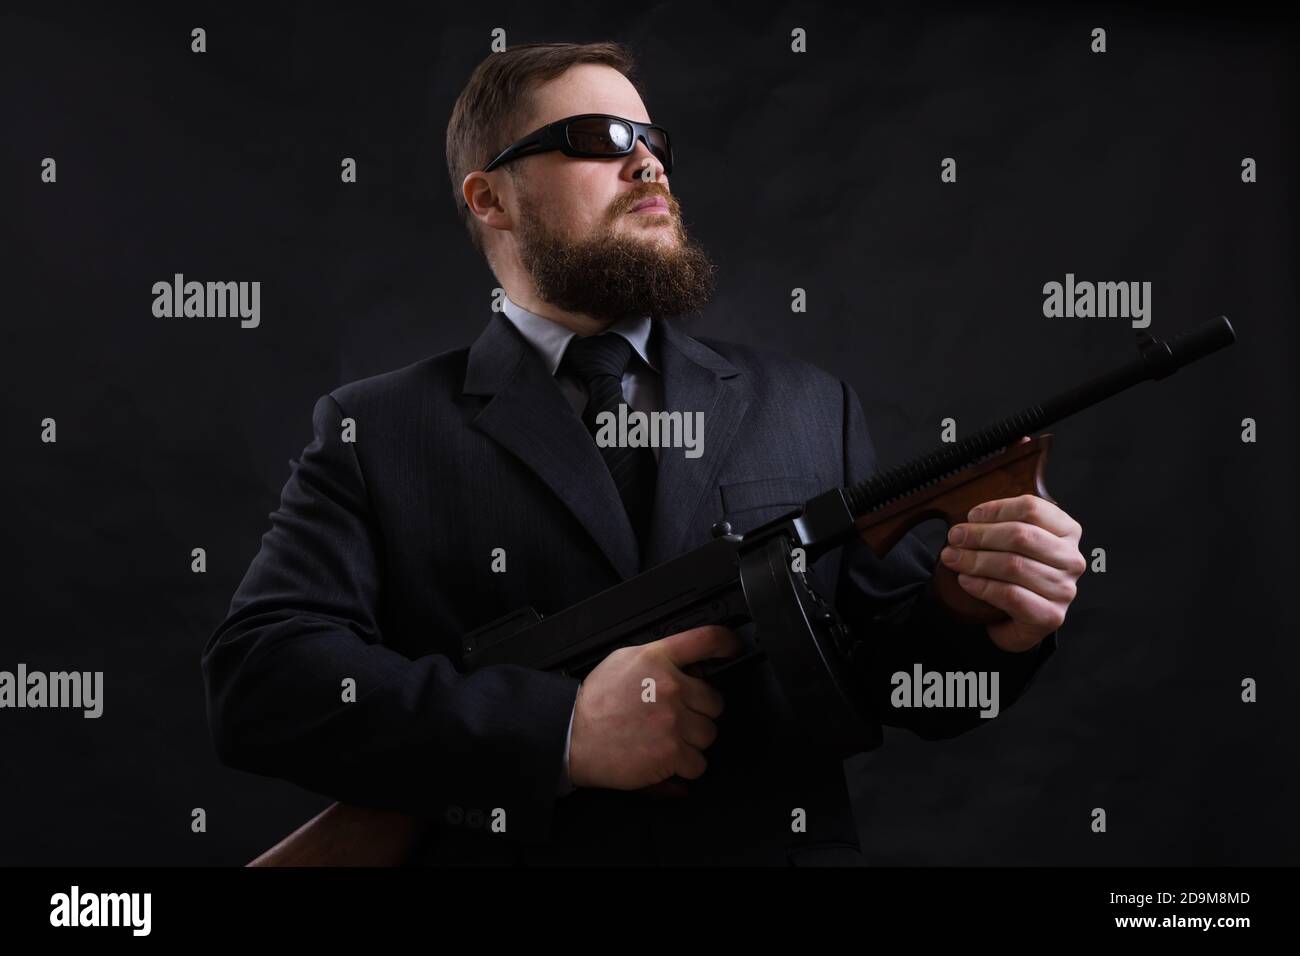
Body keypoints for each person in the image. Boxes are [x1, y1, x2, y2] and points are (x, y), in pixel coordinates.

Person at [202, 41, 1086, 866]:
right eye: (597, 139)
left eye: (651, 139)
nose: (647, 162)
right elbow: (262, 682)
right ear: (489, 198)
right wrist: (561, 733)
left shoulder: (809, 404)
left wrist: (982, 614)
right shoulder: (376, 428)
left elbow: (892, 683)